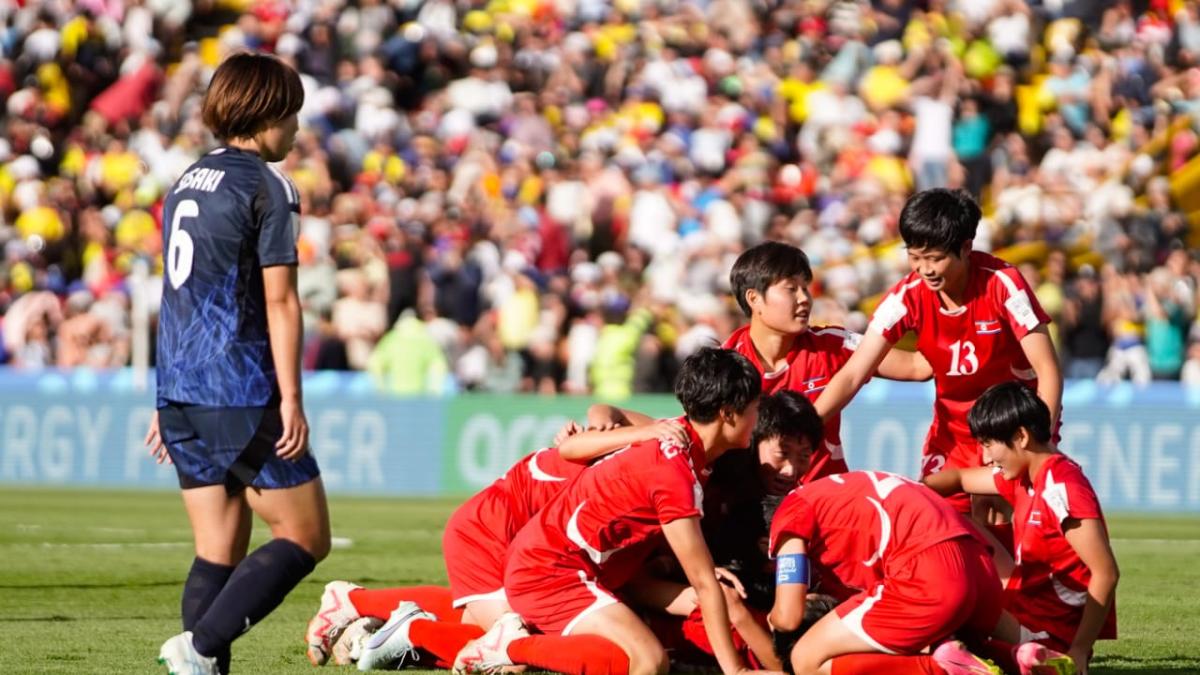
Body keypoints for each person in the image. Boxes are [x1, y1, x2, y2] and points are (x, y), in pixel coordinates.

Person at [144, 53, 329, 675]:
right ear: (265, 113)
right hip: (240, 388)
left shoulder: (186, 179)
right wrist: (292, 398)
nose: (298, 129)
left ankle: (201, 665)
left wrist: (168, 395)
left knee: (217, 551)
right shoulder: (268, 185)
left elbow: (179, 294)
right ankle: (195, 650)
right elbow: (280, 300)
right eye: (293, 114)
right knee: (305, 537)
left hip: (183, 390)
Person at [454, 347, 766, 675]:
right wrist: (737, 672)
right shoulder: (675, 473)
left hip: (564, 565)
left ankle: (492, 645)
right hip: (548, 569)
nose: (758, 419)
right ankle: (507, 647)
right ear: (728, 414)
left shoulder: (679, 440)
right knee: (648, 661)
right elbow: (703, 583)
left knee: (632, 654)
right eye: (756, 408)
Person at [304, 410, 689, 670]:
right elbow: (598, 415)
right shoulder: (658, 449)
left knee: (502, 630)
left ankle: (362, 606)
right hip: (491, 531)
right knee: (521, 641)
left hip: (528, 544)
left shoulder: (671, 459)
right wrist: (616, 426)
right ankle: (399, 625)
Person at [814, 188, 1062, 516]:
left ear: (966, 248)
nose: (925, 269)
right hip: (953, 437)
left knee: (1008, 534)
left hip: (1014, 430)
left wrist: (1033, 442)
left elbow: (1048, 370)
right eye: (915, 257)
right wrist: (806, 424)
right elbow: (853, 373)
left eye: (935, 258)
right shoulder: (907, 297)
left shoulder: (1004, 284)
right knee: (936, 524)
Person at [924, 382, 1118, 675]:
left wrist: (1078, 651)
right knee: (951, 522)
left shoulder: (1063, 488)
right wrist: (908, 492)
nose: (986, 457)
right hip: (1021, 618)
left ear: (1021, 436)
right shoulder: (1025, 476)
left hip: (1045, 634)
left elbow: (1106, 573)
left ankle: (1025, 659)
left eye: (989, 444)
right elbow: (959, 479)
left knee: (939, 614)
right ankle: (1001, 658)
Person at [724, 241, 932, 485]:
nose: (804, 299)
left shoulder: (832, 344)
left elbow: (918, 367)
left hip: (828, 502)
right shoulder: (726, 365)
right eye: (791, 289)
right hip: (754, 508)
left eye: (806, 288)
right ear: (754, 298)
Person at [766, 470, 1005, 675]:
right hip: (981, 567)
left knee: (805, 659)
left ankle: (940, 669)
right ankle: (1018, 655)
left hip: (929, 572)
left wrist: (773, 616)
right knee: (971, 651)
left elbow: (788, 617)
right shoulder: (843, 494)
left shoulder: (790, 509)